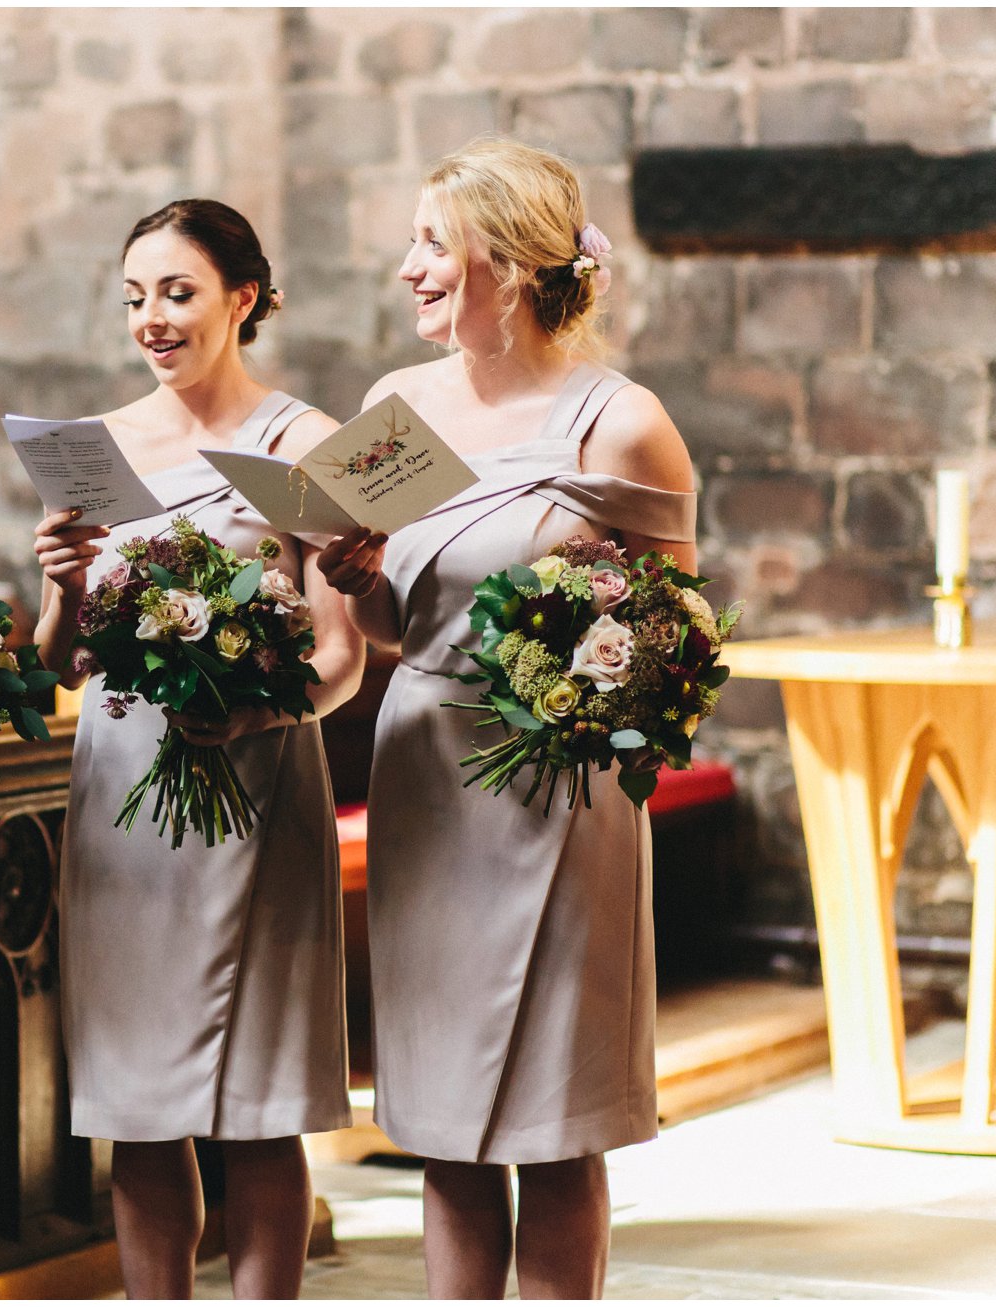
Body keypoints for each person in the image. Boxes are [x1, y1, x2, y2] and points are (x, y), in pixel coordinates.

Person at [315, 137, 698, 1300]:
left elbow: (678, 645)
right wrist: (353, 570)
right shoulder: (392, 408)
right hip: (427, 777)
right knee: (442, 1114)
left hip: (560, 794)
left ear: (514, 265)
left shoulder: (615, 422)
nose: (407, 267)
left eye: (432, 243)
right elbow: (388, 626)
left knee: (552, 1116)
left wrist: (587, 669)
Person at [30, 199, 367, 1299]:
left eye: (176, 293)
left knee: (259, 1102)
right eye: (135, 297)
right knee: (139, 1097)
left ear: (243, 298)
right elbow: (62, 663)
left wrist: (253, 712)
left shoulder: (303, 442)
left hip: (255, 786)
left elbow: (340, 654)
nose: (152, 320)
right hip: (124, 790)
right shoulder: (97, 446)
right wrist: (59, 584)